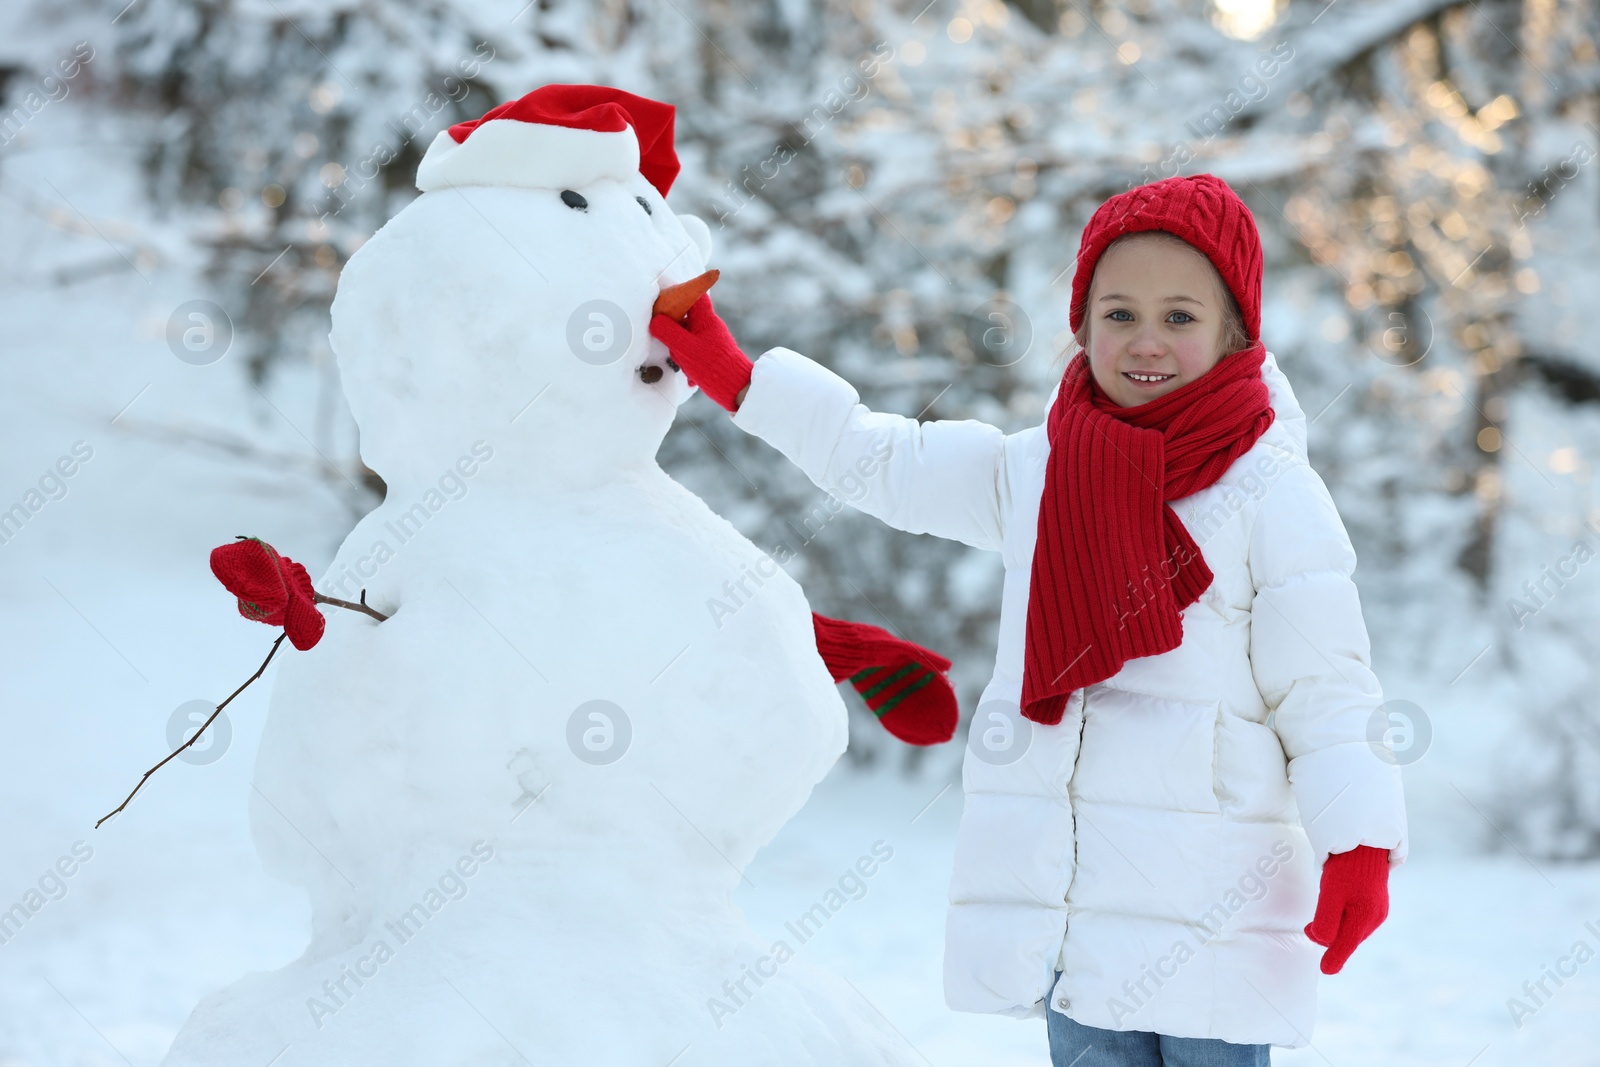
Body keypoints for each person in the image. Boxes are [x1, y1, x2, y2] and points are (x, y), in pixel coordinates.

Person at [649, 173, 1407, 1066]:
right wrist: (742, 380)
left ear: (1237, 329)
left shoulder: (1272, 492)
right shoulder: (1039, 472)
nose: (1146, 340)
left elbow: (1325, 688)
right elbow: (880, 457)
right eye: (1118, 314)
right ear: (1081, 326)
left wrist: (1359, 839)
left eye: (1181, 315)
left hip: (1217, 915)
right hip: (1079, 920)